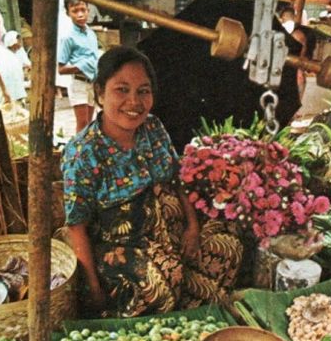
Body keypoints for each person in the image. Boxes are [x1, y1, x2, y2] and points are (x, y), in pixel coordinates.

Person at [61, 45, 243, 317]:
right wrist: (94, 290)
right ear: (100, 93)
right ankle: (162, 322)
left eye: (143, 91)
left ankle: (194, 314)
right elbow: (77, 226)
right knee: (163, 279)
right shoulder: (82, 152)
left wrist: (192, 227)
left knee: (228, 243)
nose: (134, 102)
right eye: (121, 90)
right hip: (120, 244)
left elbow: (176, 178)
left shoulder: (153, 128)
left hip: (171, 231)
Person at [57, 0, 102, 132]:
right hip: (79, 84)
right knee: (82, 124)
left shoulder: (91, 34)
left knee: (92, 122)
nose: (80, 15)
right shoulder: (68, 38)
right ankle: (80, 152)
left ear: (88, 10)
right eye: (75, 11)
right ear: (67, 13)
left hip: (92, 83)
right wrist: (82, 66)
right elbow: (61, 69)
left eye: (83, 10)